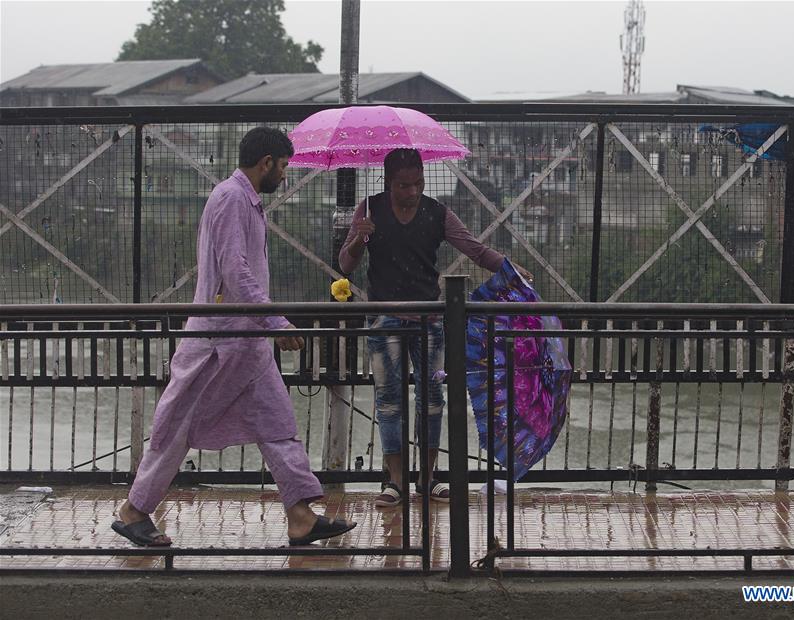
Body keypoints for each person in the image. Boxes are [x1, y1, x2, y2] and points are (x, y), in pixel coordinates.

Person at [112, 128, 355, 547]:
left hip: (245, 342)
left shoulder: (246, 200)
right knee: (177, 426)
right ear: (266, 163)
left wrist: (266, 325)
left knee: (278, 425)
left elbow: (240, 272)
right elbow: (235, 270)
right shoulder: (230, 198)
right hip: (218, 342)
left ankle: (300, 515)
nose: (284, 175)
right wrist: (274, 322)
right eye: (282, 166)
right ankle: (135, 510)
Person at [340, 148, 532, 508]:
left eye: (418, 183)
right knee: (389, 399)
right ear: (388, 182)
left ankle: (427, 478)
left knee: (432, 399)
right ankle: (396, 480)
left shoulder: (438, 213)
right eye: (403, 185)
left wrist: (509, 270)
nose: (412, 192)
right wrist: (359, 238)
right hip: (383, 316)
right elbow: (346, 265)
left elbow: (474, 250)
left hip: (428, 316)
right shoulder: (369, 210)